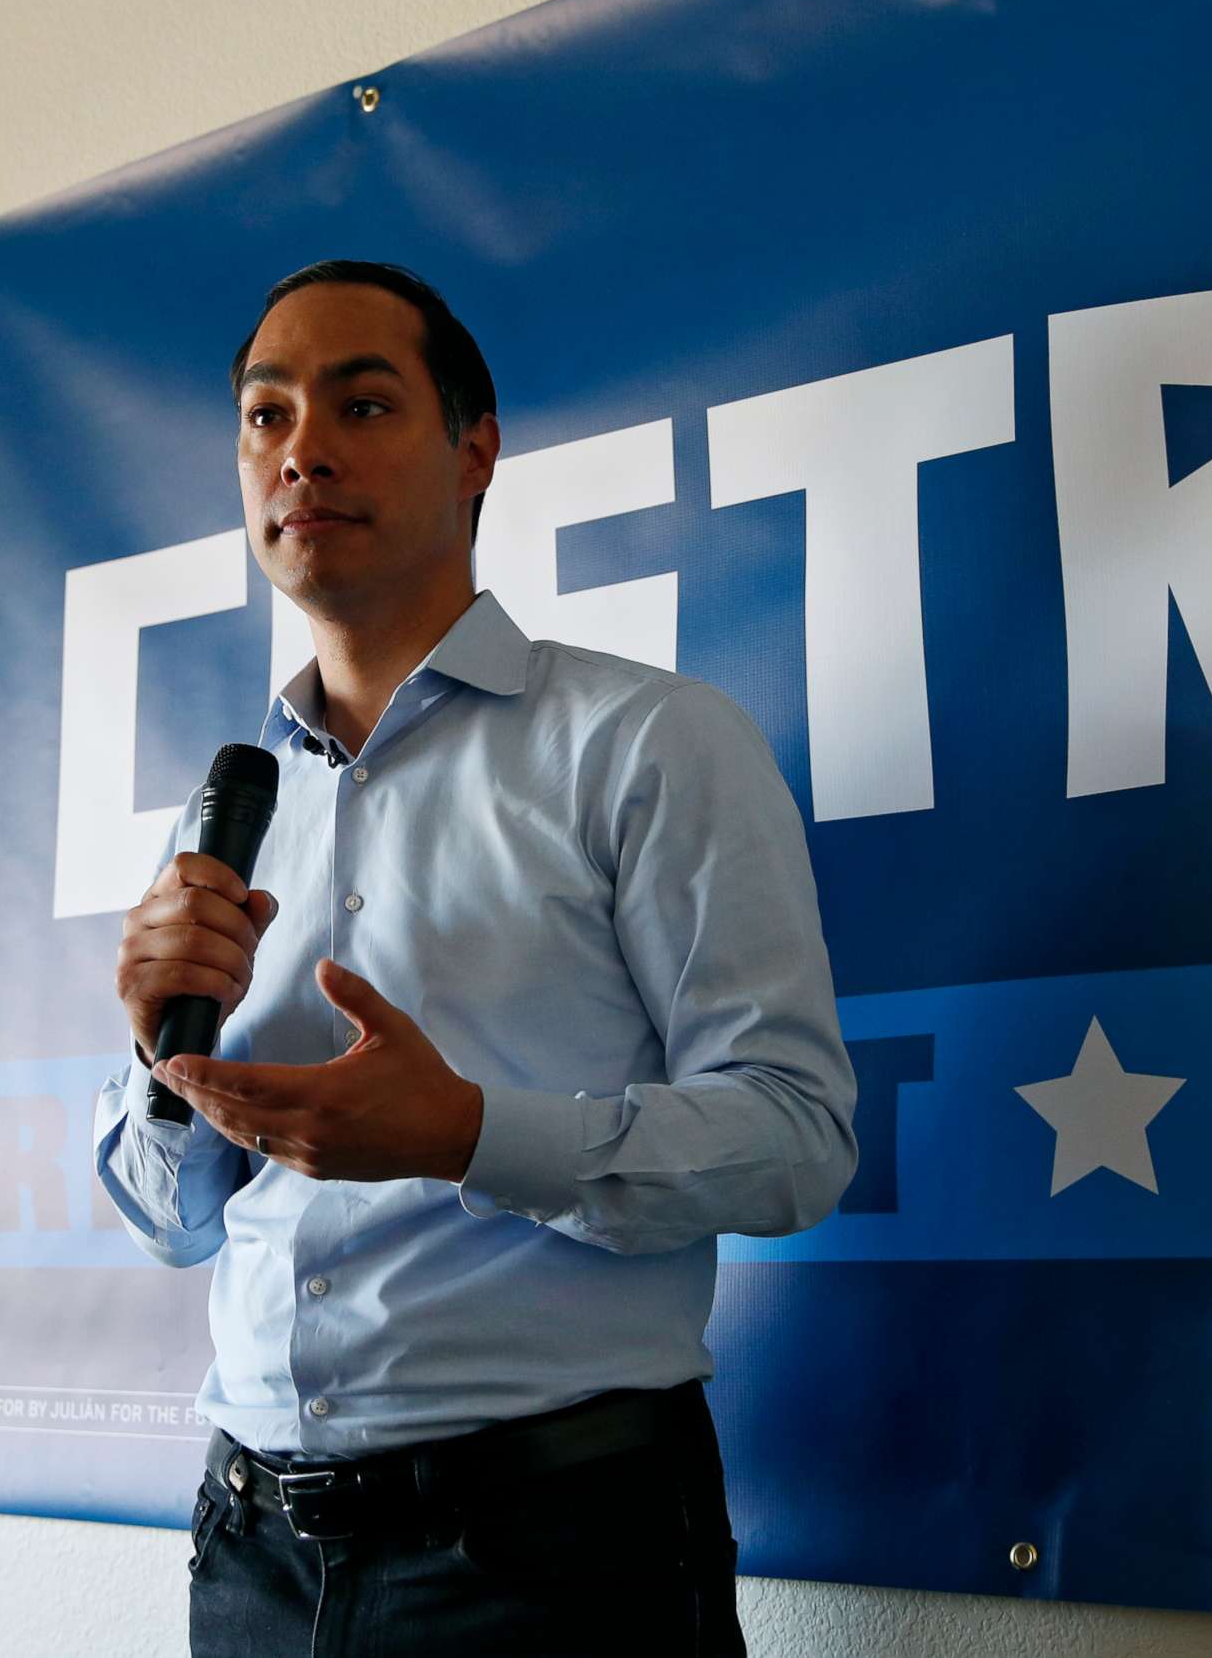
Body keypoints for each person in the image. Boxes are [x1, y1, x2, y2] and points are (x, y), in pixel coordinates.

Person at [93, 259, 858, 1657]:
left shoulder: (647, 744)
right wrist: (158, 1060)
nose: (302, 450)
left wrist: (468, 1134)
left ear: (476, 449)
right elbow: (169, 1220)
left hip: (553, 1559)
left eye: (362, 403)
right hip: (248, 1552)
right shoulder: (226, 813)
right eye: (265, 418)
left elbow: (797, 1139)